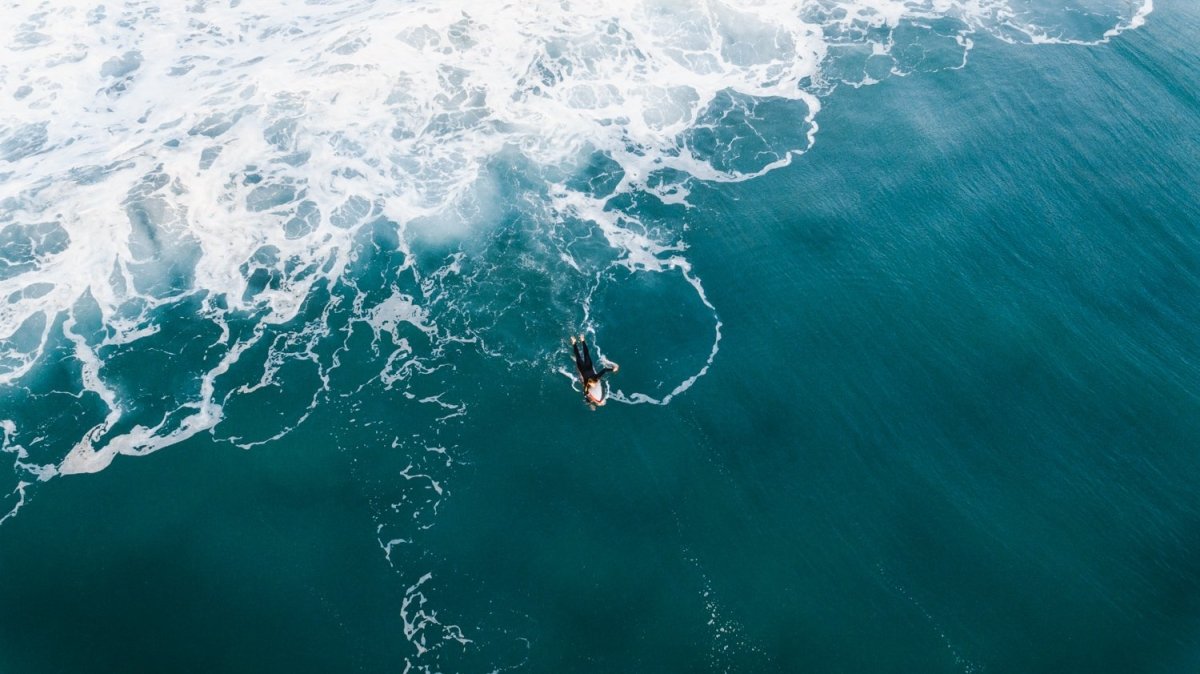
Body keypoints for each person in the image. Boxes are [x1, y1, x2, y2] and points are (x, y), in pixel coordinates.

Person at [571, 334, 618, 407]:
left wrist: (592, 402)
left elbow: (585, 395)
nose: (593, 385)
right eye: (593, 384)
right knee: (586, 354)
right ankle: (582, 340)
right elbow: (604, 370)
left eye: (592, 384)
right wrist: (612, 369)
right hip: (588, 365)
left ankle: (574, 343)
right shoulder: (595, 377)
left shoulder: (587, 384)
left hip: (582, 367)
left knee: (578, 356)